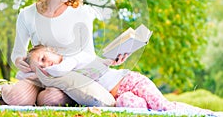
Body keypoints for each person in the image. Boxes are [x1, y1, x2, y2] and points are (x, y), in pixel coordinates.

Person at [6, 0, 126, 106]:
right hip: (38, 76)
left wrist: (108, 60)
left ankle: (42, 99)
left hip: (67, 77)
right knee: (16, 98)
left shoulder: (82, 13)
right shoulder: (27, 14)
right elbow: (18, 52)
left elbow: (88, 54)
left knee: (50, 99)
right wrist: (19, 61)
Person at [24, 44, 217, 115]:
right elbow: (25, 76)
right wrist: (33, 71)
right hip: (120, 95)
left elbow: (60, 68)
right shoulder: (63, 77)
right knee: (135, 108)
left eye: (43, 58)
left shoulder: (73, 58)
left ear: (51, 50)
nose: (45, 66)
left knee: (163, 107)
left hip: (130, 81)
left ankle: (204, 114)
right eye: (40, 67)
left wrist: (42, 70)